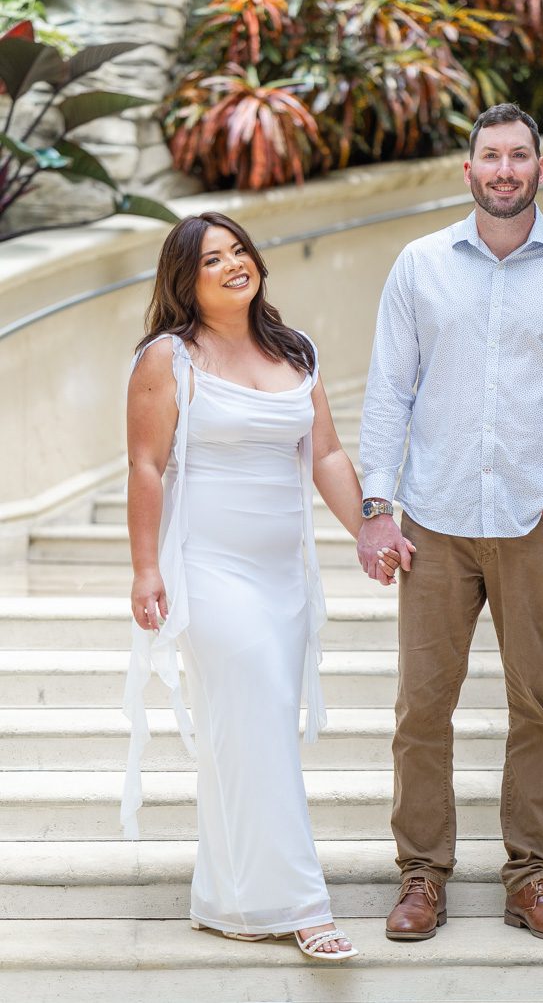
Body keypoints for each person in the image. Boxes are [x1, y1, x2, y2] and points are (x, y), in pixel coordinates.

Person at [357, 103, 543, 945]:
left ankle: (530, 876)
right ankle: (421, 875)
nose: (505, 169)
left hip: (537, 526)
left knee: (537, 708)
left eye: (520, 155)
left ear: (541, 169)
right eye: (491, 156)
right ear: (469, 170)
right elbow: (388, 394)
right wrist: (378, 507)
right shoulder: (419, 266)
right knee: (421, 710)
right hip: (437, 523)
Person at [120, 211, 403, 960]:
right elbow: (145, 466)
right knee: (261, 725)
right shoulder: (168, 358)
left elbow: (329, 457)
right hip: (208, 572)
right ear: (186, 279)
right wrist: (146, 568)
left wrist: (370, 528)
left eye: (238, 249)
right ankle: (302, 904)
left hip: (281, 577)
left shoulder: (294, 350)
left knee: (245, 731)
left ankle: (227, 898)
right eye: (212, 259)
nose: (233, 264)